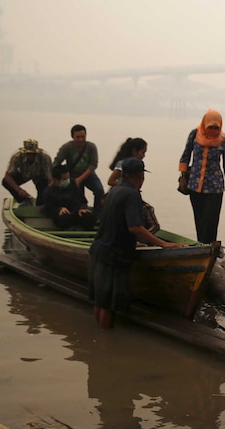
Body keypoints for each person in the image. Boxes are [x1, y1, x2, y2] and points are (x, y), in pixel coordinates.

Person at [88, 158, 186, 329]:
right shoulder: (132, 194)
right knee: (109, 305)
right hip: (113, 256)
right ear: (141, 176)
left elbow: (117, 223)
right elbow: (135, 227)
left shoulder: (114, 191)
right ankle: (105, 343)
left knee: (100, 300)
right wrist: (163, 244)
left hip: (99, 250)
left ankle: (100, 342)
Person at [178, 109, 225, 243]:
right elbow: (186, 155)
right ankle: (202, 246)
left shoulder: (223, 139)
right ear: (205, 124)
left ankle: (210, 246)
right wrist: (183, 176)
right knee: (199, 218)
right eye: (210, 127)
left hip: (215, 187)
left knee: (210, 219)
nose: (213, 130)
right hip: (195, 184)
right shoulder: (194, 134)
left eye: (216, 128)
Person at [53, 124, 105, 212]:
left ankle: (98, 215)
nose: (80, 139)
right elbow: (56, 162)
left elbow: (93, 164)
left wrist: (80, 179)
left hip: (89, 175)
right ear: (72, 137)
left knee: (99, 190)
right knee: (78, 197)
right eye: (78, 137)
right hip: (72, 175)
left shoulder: (91, 147)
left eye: (83, 137)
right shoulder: (67, 147)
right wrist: (58, 177)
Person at [43, 165, 96, 230]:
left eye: (68, 178)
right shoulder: (48, 192)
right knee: (64, 218)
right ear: (56, 179)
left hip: (76, 212)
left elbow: (83, 201)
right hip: (61, 215)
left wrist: (81, 208)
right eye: (64, 179)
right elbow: (49, 209)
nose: (67, 181)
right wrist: (59, 209)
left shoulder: (73, 185)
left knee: (89, 217)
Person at [2, 138, 52, 207]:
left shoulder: (45, 157)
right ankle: (24, 200)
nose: (30, 156)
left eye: (33, 154)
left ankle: (41, 203)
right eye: (28, 154)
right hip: (24, 174)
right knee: (5, 182)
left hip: (40, 176)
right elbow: (8, 175)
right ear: (24, 153)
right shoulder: (17, 156)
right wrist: (19, 190)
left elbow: (49, 178)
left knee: (42, 199)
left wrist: (48, 194)